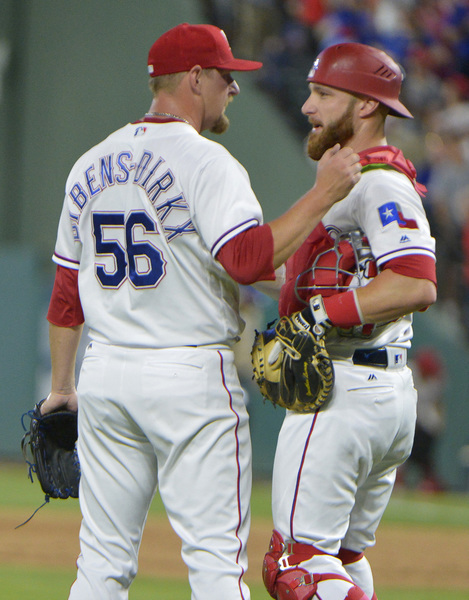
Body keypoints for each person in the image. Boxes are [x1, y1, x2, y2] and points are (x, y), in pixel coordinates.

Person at [40, 23, 361, 600]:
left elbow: (66, 297)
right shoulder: (208, 162)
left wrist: (62, 388)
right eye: (224, 76)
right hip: (188, 377)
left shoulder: (89, 163)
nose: (233, 88)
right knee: (215, 566)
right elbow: (246, 259)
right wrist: (324, 194)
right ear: (194, 78)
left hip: (106, 375)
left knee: (101, 566)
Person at [262, 43, 437, 600]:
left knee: (296, 567)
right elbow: (316, 277)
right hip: (378, 390)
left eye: (323, 93)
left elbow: (415, 283)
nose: (308, 106)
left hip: (345, 392)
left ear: (365, 106)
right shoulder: (354, 178)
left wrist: (317, 316)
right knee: (339, 556)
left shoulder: (377, 181)